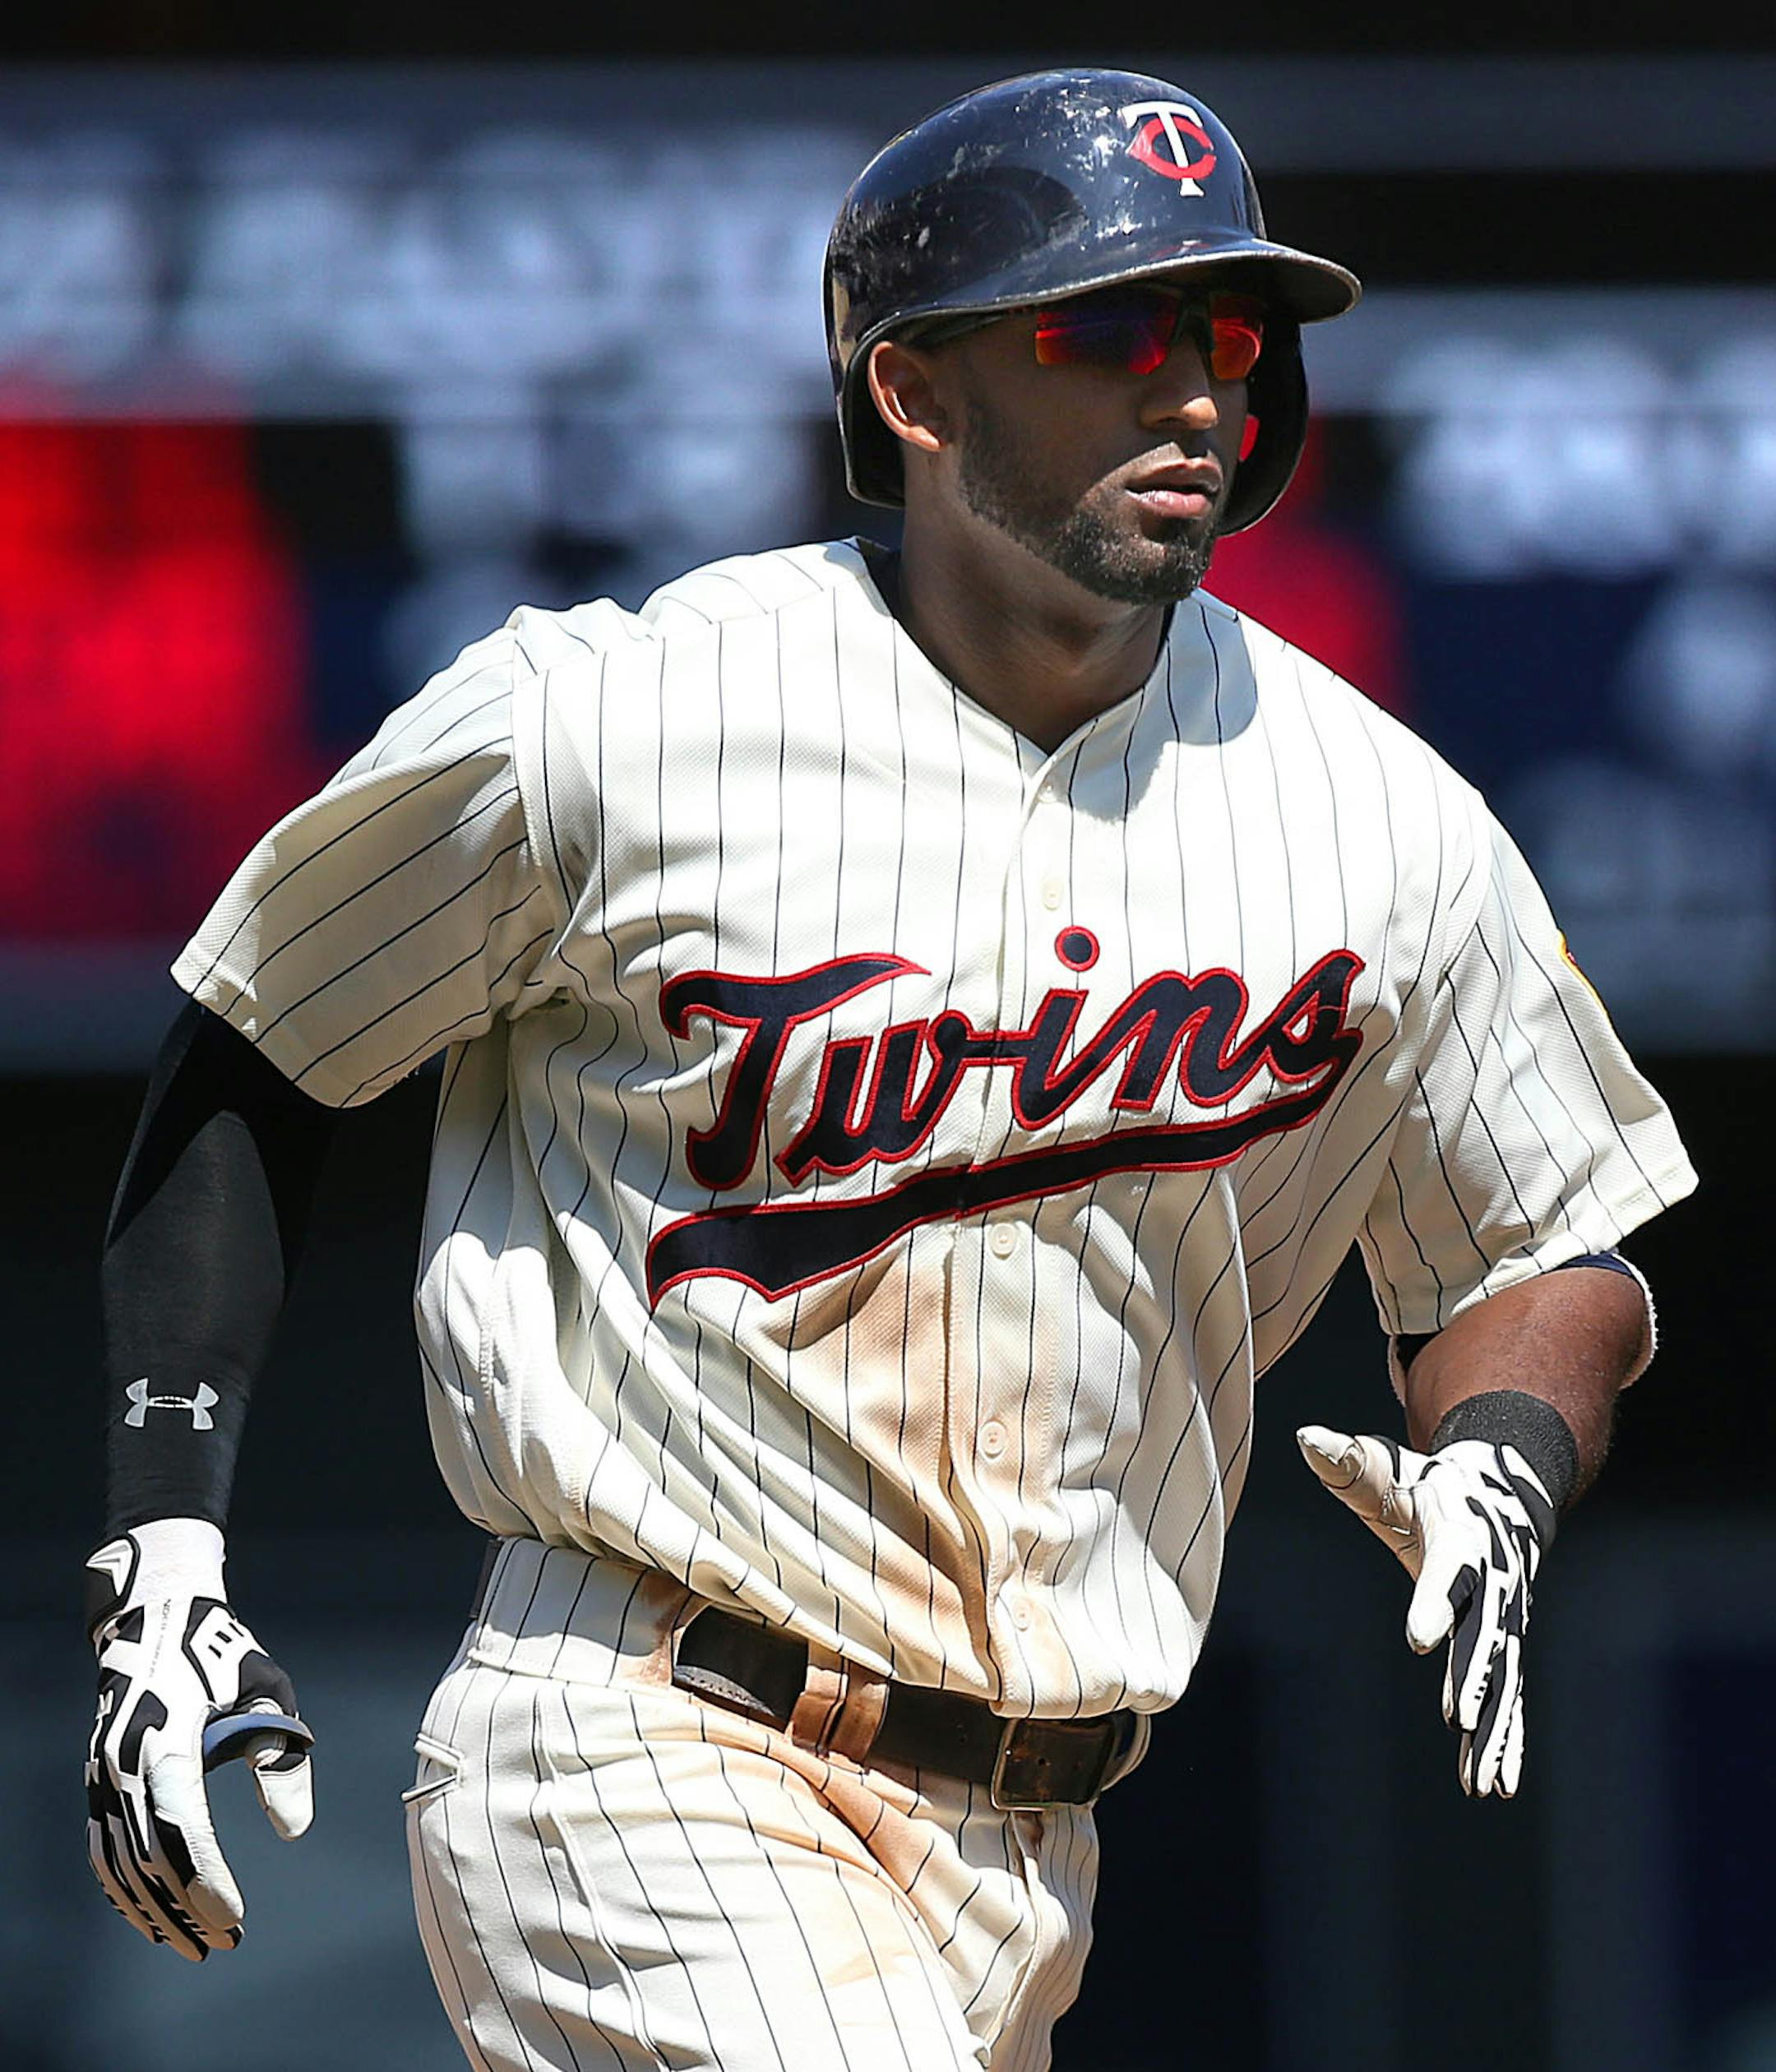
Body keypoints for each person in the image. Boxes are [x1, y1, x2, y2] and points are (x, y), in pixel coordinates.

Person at [84, 68, 1695, 2072]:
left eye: (1221, 335)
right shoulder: (618, 722)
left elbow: (1550, 1243)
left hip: (1028, 1846)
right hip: (644, 1740)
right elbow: (258, 1044)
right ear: (914, 395)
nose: (1189, 390)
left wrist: (1506, 1464)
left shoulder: (1385, 819)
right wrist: (165, 1544)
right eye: (1101, 333)